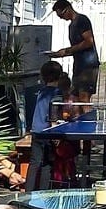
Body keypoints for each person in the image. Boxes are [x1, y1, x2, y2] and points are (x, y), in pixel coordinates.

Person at [49, 0, 99, 105]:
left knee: (84, 98)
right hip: (79, 65)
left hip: (88, 65)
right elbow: (77, 47)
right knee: (75, 98)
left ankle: (88, 120)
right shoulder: (72, 26)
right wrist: (62, 53)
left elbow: (89, 42)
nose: (62, 19)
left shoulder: (82, 20)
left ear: (67, 9)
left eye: (61, 15)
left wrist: (68, 50)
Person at [24, 60, 63, 191]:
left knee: (34, 163)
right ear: (60, 75)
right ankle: (43, 193)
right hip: (48, 132)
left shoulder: (41, 92)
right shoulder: (57, 93)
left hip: (36, 131)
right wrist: (55, 133)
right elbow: (53, 114)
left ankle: (28, 192)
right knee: (47, 164)